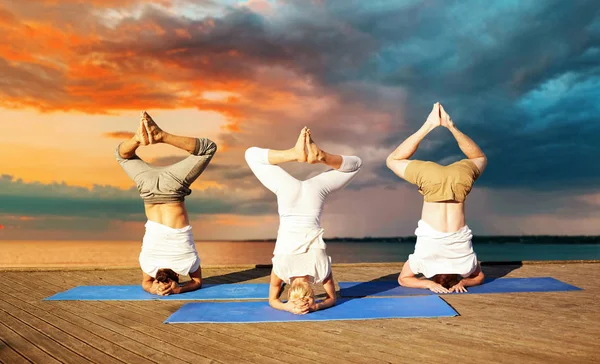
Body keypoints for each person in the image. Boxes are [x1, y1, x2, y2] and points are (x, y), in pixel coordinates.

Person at [245, 127, 362, 314]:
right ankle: (295, 153)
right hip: (288, 197)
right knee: (251, 155)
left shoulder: (321, 270)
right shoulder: (281, 271)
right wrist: (286, 306)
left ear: (313, 293)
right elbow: (273, 299)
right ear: (289, 290)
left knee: (355, 164)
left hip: (313, 198)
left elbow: (332, 299)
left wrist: (316, 306)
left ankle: (320, 156)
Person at [386, 103, 486, 293]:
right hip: (432, 185)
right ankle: (429, 124)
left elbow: (479, 277)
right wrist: (428, 283)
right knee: (393, 161)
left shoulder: (466, 266)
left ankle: (450, 126)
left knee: (480, 158)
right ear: (434, 277)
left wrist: (464, 282)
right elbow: (403, 279)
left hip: (458, 185)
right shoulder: (423, 265)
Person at [115, 111, 217, 296]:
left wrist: (179, 290)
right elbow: (145, 283)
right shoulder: (148, 264)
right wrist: (153, 289)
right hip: (148, 188)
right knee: (121, 155)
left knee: (208, 148)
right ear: (157, 277)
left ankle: (160, 135)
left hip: (172, 188)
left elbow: (197, 282)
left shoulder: (186, 263)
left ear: (178, 276)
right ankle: (139, 138)